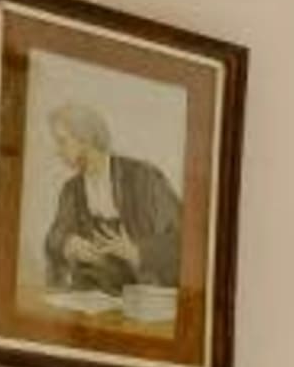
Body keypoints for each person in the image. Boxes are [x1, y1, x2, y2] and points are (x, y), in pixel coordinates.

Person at [36, 102, 184, 301]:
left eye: (62, 141)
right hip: (92, 296)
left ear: (85, 139)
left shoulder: (144, 178)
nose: (58, 150)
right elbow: (54, 236)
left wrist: (137, 252)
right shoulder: (72, 189)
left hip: (143, 297)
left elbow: (185, 239)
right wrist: (68, 244)